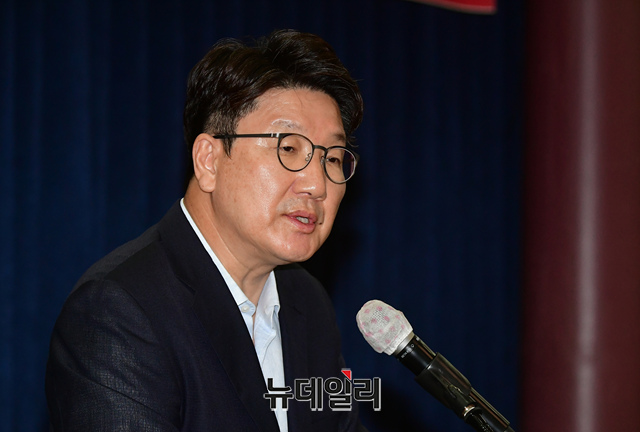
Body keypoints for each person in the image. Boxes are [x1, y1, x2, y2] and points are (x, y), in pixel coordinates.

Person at [45, 29, 366, 431]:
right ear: (209, 160)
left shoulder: (307, 301)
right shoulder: (119, 311)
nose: (317, 185)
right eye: (289, 148)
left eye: (332, 158)